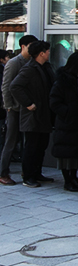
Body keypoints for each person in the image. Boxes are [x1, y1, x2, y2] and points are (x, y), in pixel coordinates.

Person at [11, 41, 56, 188]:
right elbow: (15, 86)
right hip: (33, 115)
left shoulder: (46, 67)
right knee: (32, 146)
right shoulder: (29, 69)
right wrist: (28, 103)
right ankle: (28, 176)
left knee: (41, 145)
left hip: (44, 113)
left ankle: (37, 173)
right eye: (47, 51)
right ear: (41, 53)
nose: (49, 53)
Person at [0, 34, 38, 186]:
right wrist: (9, 106)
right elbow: (6, 86)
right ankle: (3, 172)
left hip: (27, 108)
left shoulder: (32, 61)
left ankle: (27, 171)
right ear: (23, 47)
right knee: (11, 140)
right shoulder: (14, 62)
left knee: (26, 141)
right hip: (15, 108)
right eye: (31, 46)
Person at [49, 51, 78, 191]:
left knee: (76, 152)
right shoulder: (63, 81)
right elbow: (54, 102)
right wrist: (68, 112)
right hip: (66, 123)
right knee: (66, 153)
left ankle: (74, 176)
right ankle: (68, 180)